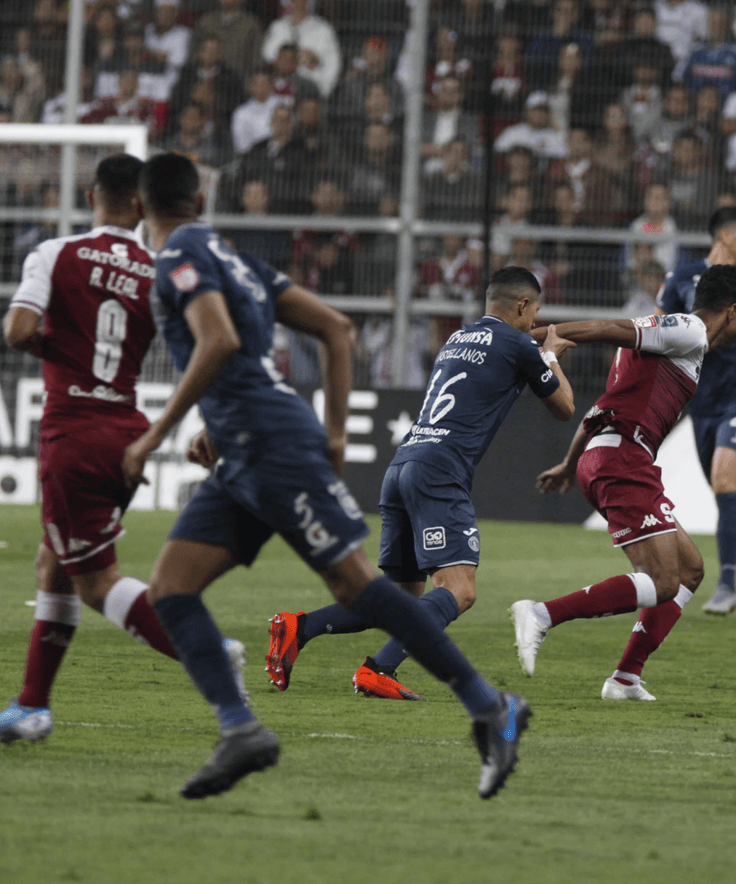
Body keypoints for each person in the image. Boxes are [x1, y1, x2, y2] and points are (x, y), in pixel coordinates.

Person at [126, 152, 529, 800]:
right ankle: (240, 731)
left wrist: (155, 434)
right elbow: (335, 329)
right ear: (199, 202)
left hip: (270, 448)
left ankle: (490, 708)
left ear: (141, 209)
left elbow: (218, 340)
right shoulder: (236, 259)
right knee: (171, 588)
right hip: (250, 444)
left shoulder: (176, 259)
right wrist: (332, 436)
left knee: (361, 587)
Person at [0, 155, 230, 745]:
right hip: (128, 434)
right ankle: (32, 707)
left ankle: (209, 653)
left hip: (72, 432)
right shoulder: (156, 269)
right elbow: (203, 344)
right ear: (139, 205)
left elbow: (19, 332)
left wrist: (66, 352)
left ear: (91, 194)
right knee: (55, 565)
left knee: (95, 581)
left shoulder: (56, 254)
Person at [268, 268, 576, 700]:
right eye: (536, 310)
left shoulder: (458, 339)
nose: (535, 319)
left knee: (402, 600)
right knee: (459, 591)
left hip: (403, 463)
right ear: (523, 305)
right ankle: (378, 669)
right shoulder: (519, 343)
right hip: (439, 471)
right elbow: (564, 406)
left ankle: (299, 627)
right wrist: (551, 354)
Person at [510, 265, 736, 697]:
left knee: (689, 571)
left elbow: (600, 408)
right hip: (622, 458)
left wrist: (570, 465)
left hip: (612, 454)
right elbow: (608, 326)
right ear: (734, 311)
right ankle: (541, 613)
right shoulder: (690, 330)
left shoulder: (665, 347)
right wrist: (544, 337)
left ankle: (625, 677)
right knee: (662, 580)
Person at [655, 208, 736, 616]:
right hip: (702, 400)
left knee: (725, 478)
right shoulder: (682, 278)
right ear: (726, 236)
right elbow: (658, 329)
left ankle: (726, 586)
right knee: (725, 490)